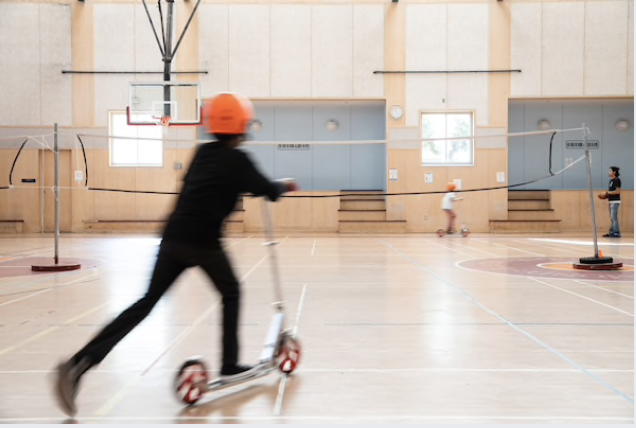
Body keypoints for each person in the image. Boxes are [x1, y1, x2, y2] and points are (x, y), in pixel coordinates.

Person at [53, 93, 298, 417]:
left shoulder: (202, 153)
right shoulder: (239, 161)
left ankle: (79, 363)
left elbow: (209, 186)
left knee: (145, 303)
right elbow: (267, 189)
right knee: (232, 292)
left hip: (171, 239)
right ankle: (229, 364)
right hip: (204, 242)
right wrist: (286, 186)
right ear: (242, 125)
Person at [601, 166, 621, 238]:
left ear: (614, 172)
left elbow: (617, 191)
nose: (609, 172)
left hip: (615, 201)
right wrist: (606, 196)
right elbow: (611, 192)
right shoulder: (611, 181)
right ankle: (612, 232)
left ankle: (616, 232)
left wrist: (607, 192)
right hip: (611, 201)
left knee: (614, 217)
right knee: (612, 217)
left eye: (610, 171)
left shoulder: (617, 180)